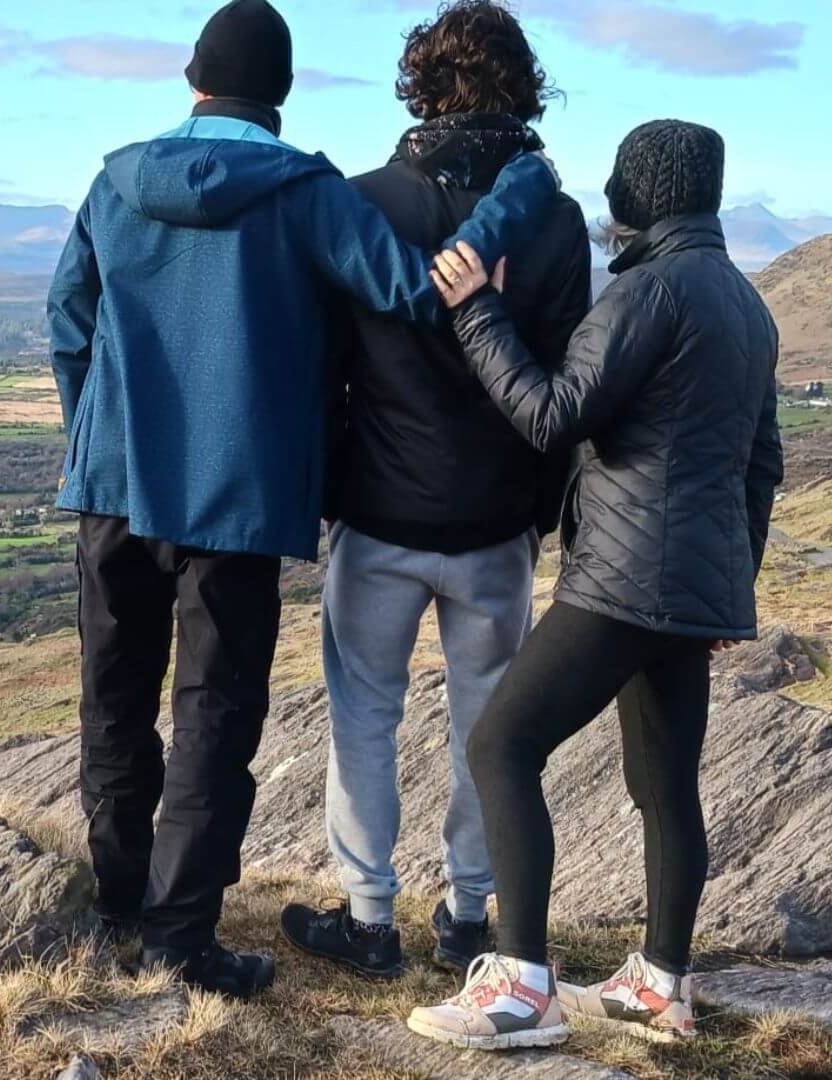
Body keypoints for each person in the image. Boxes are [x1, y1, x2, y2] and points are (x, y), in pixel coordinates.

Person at [49, 0, 557, 999]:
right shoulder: (305, 192)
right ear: (280, 95)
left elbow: (69, 320)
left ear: (194, 78)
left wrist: (98, 442)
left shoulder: (114, 182)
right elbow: (422, 290)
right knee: (214, 716)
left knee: (113, 702)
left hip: (113, 487)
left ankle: (117, 907)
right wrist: (519, 195)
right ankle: (180, 938)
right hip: (233, 502)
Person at [408, 120, 783, 1050]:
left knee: (502, 745)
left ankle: (521, 986)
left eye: (622, 176)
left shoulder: (647, 290)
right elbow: (761, 465)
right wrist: (729, 584)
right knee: (665, 788)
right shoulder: (747, 303)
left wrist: (476, 312)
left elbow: (550, 413)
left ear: (645, 190)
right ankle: (661, 986)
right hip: (691, 587)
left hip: (622, 575)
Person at [280, 0, 592, 980]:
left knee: (363, 711)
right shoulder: (558, 219)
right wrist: (540, 511)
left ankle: (370, 921)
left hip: (378, 515)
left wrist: (330, 489)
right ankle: (468, 917)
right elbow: (566, 382)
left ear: (422, 84)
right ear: (522, 88)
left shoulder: (366, 201)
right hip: (498, 522)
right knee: (488, 723)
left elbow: (322, 368)